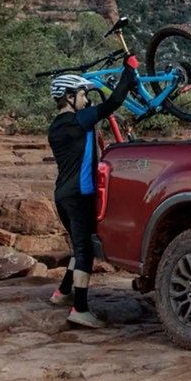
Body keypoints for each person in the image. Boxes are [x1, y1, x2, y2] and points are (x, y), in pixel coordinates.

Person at [46, 54, 139, 328]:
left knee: (79, 243)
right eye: (83, 94)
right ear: (70, 96)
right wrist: (128, 73)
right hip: (79, 195)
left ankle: (62, 292)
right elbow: (113, 103)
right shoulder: (78, 121)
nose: (86, 99)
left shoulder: (56, 127)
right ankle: (80, 308)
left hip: (62, 195)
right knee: (85, 250)